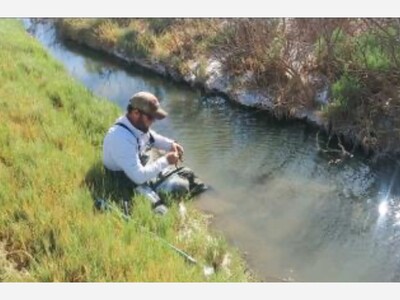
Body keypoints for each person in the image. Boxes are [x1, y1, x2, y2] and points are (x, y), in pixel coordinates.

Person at [102, 91, 203, 215]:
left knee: (188, 174)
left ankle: (211, 200)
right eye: (151, 117)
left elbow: (152, 137)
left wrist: (171, 144)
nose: (153, 121)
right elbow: (138, 177)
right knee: (177, 188)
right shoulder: (121, 138)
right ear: (135, 113)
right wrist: (166, 160)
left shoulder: (136, 125)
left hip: (138, 168)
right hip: (126, 179)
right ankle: (177, 204)